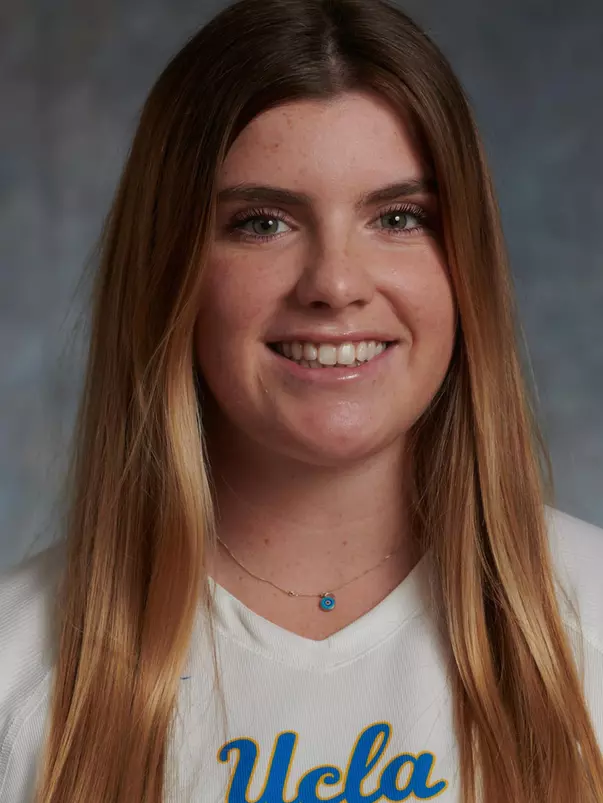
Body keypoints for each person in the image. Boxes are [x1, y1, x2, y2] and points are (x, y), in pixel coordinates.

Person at [1, 0, 602, 800]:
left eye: (397, 217)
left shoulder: (590, 623)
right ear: (169, 272)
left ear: (464, 265)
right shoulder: (18, 666)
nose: (336, 285)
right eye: (261, 223)